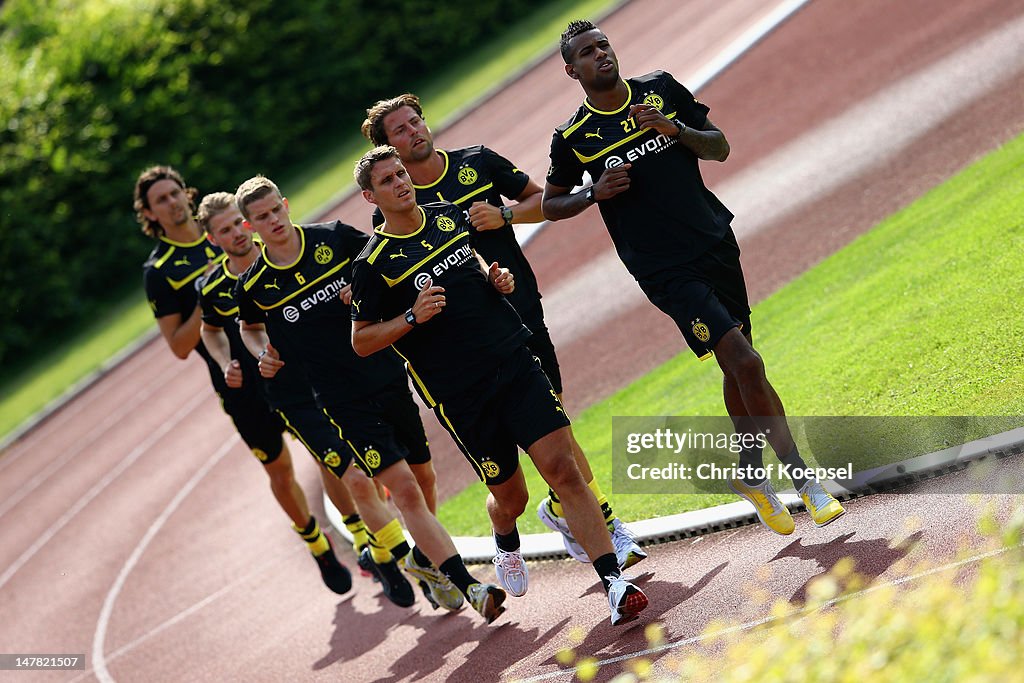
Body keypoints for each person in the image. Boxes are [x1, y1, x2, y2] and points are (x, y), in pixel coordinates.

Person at [541, 20, 846, 533]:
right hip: (663, 269)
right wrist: (593, 193)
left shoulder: (659, 89)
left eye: (604, 45)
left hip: (712, 240)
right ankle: (803, 480)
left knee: (738, 367)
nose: (601, 56)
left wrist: (672, 129)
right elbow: (551, 204)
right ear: (572, 70)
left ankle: (750, 476)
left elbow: (720, 146)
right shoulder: (572, 137)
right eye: (587, 53)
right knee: (746, 360)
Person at [350, 146, 649, 626]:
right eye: (387, 181)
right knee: (512, 497)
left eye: (401, 174)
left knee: (564, 469)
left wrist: (498, 279)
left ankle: (612, 582)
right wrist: (411, 316)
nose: (401, 183)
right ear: (371, 196)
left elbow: (478, 274)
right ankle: (504, 533)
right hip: (459, 393)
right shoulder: (372, 264)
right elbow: (362, 340)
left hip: (513, 359)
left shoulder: (448, 217)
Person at [233, 175, 505, 623]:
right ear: (249, 228)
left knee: (425, 479)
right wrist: (262, 352)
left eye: (275, 210)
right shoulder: (256, 284)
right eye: (261, 218)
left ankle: (423, 558)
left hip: (387, 372)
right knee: (403, 492)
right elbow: (248, 325)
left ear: (285, 204)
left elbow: (380, 256)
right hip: (340, 400)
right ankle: (469, 585)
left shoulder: (334, 238)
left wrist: (361, 286)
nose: (273, 221)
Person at [196, 191, 424, 606]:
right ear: (214, 240)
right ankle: (407, 562)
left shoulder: (311, 247)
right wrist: (241, 355)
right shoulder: (218, 287)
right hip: (293, 393)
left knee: (379, 473)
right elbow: (214, 330)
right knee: (353, 475)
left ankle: (375, 545)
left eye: (236, 223)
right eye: (224, 229)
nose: (235, 234)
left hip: (343, 376)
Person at [135, 167, 350, 594]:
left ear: (187, 194)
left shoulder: (231, 228)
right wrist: (211, 292)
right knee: (280, 469)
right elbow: (179, 345)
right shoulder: (160, 271)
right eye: (161, 199)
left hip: (285, 362)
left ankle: (364, 537)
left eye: (176, 193)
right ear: (149, 212)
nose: (173, 203)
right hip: (238, 382)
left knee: (329, 450)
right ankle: (315, 542)